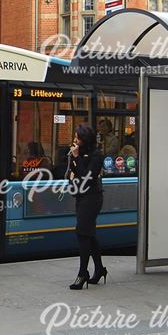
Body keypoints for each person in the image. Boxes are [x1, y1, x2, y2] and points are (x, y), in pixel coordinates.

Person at [68, 124, 105, 290]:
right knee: (89, 234)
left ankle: (83, 273)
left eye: (78, 138)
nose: (75, 140)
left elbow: (86, 177)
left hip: (92, 197)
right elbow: (72, 172)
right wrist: (73, 158)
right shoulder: (79, 153)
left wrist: (76, 158)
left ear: (85, 139)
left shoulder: (97, 155)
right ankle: (99, 269)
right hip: (81, 196)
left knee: (82, 233)